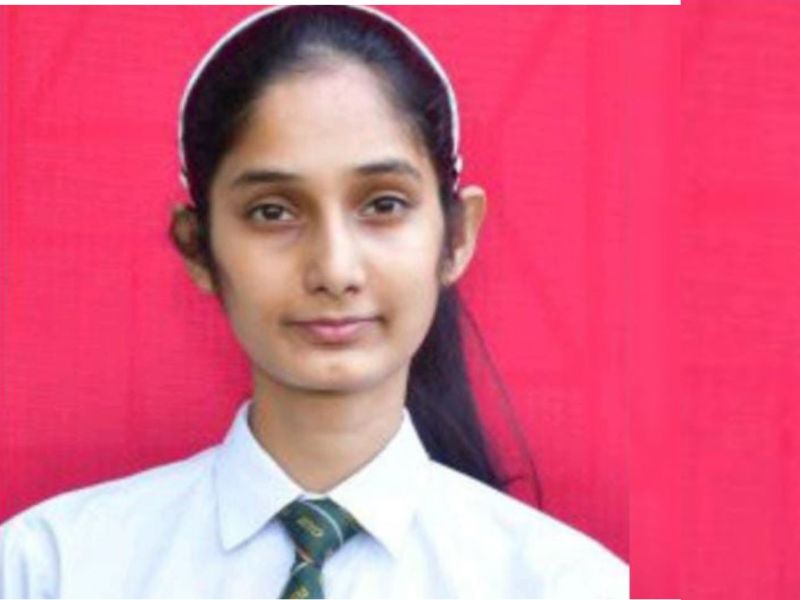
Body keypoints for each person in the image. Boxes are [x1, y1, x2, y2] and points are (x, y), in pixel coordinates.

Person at [0, 5, 629, 598]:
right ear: (197, 247)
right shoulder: (51, 570)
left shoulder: (568, 584)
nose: (334, 269)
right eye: (273, 211)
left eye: (383, 204)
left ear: (457, 236)